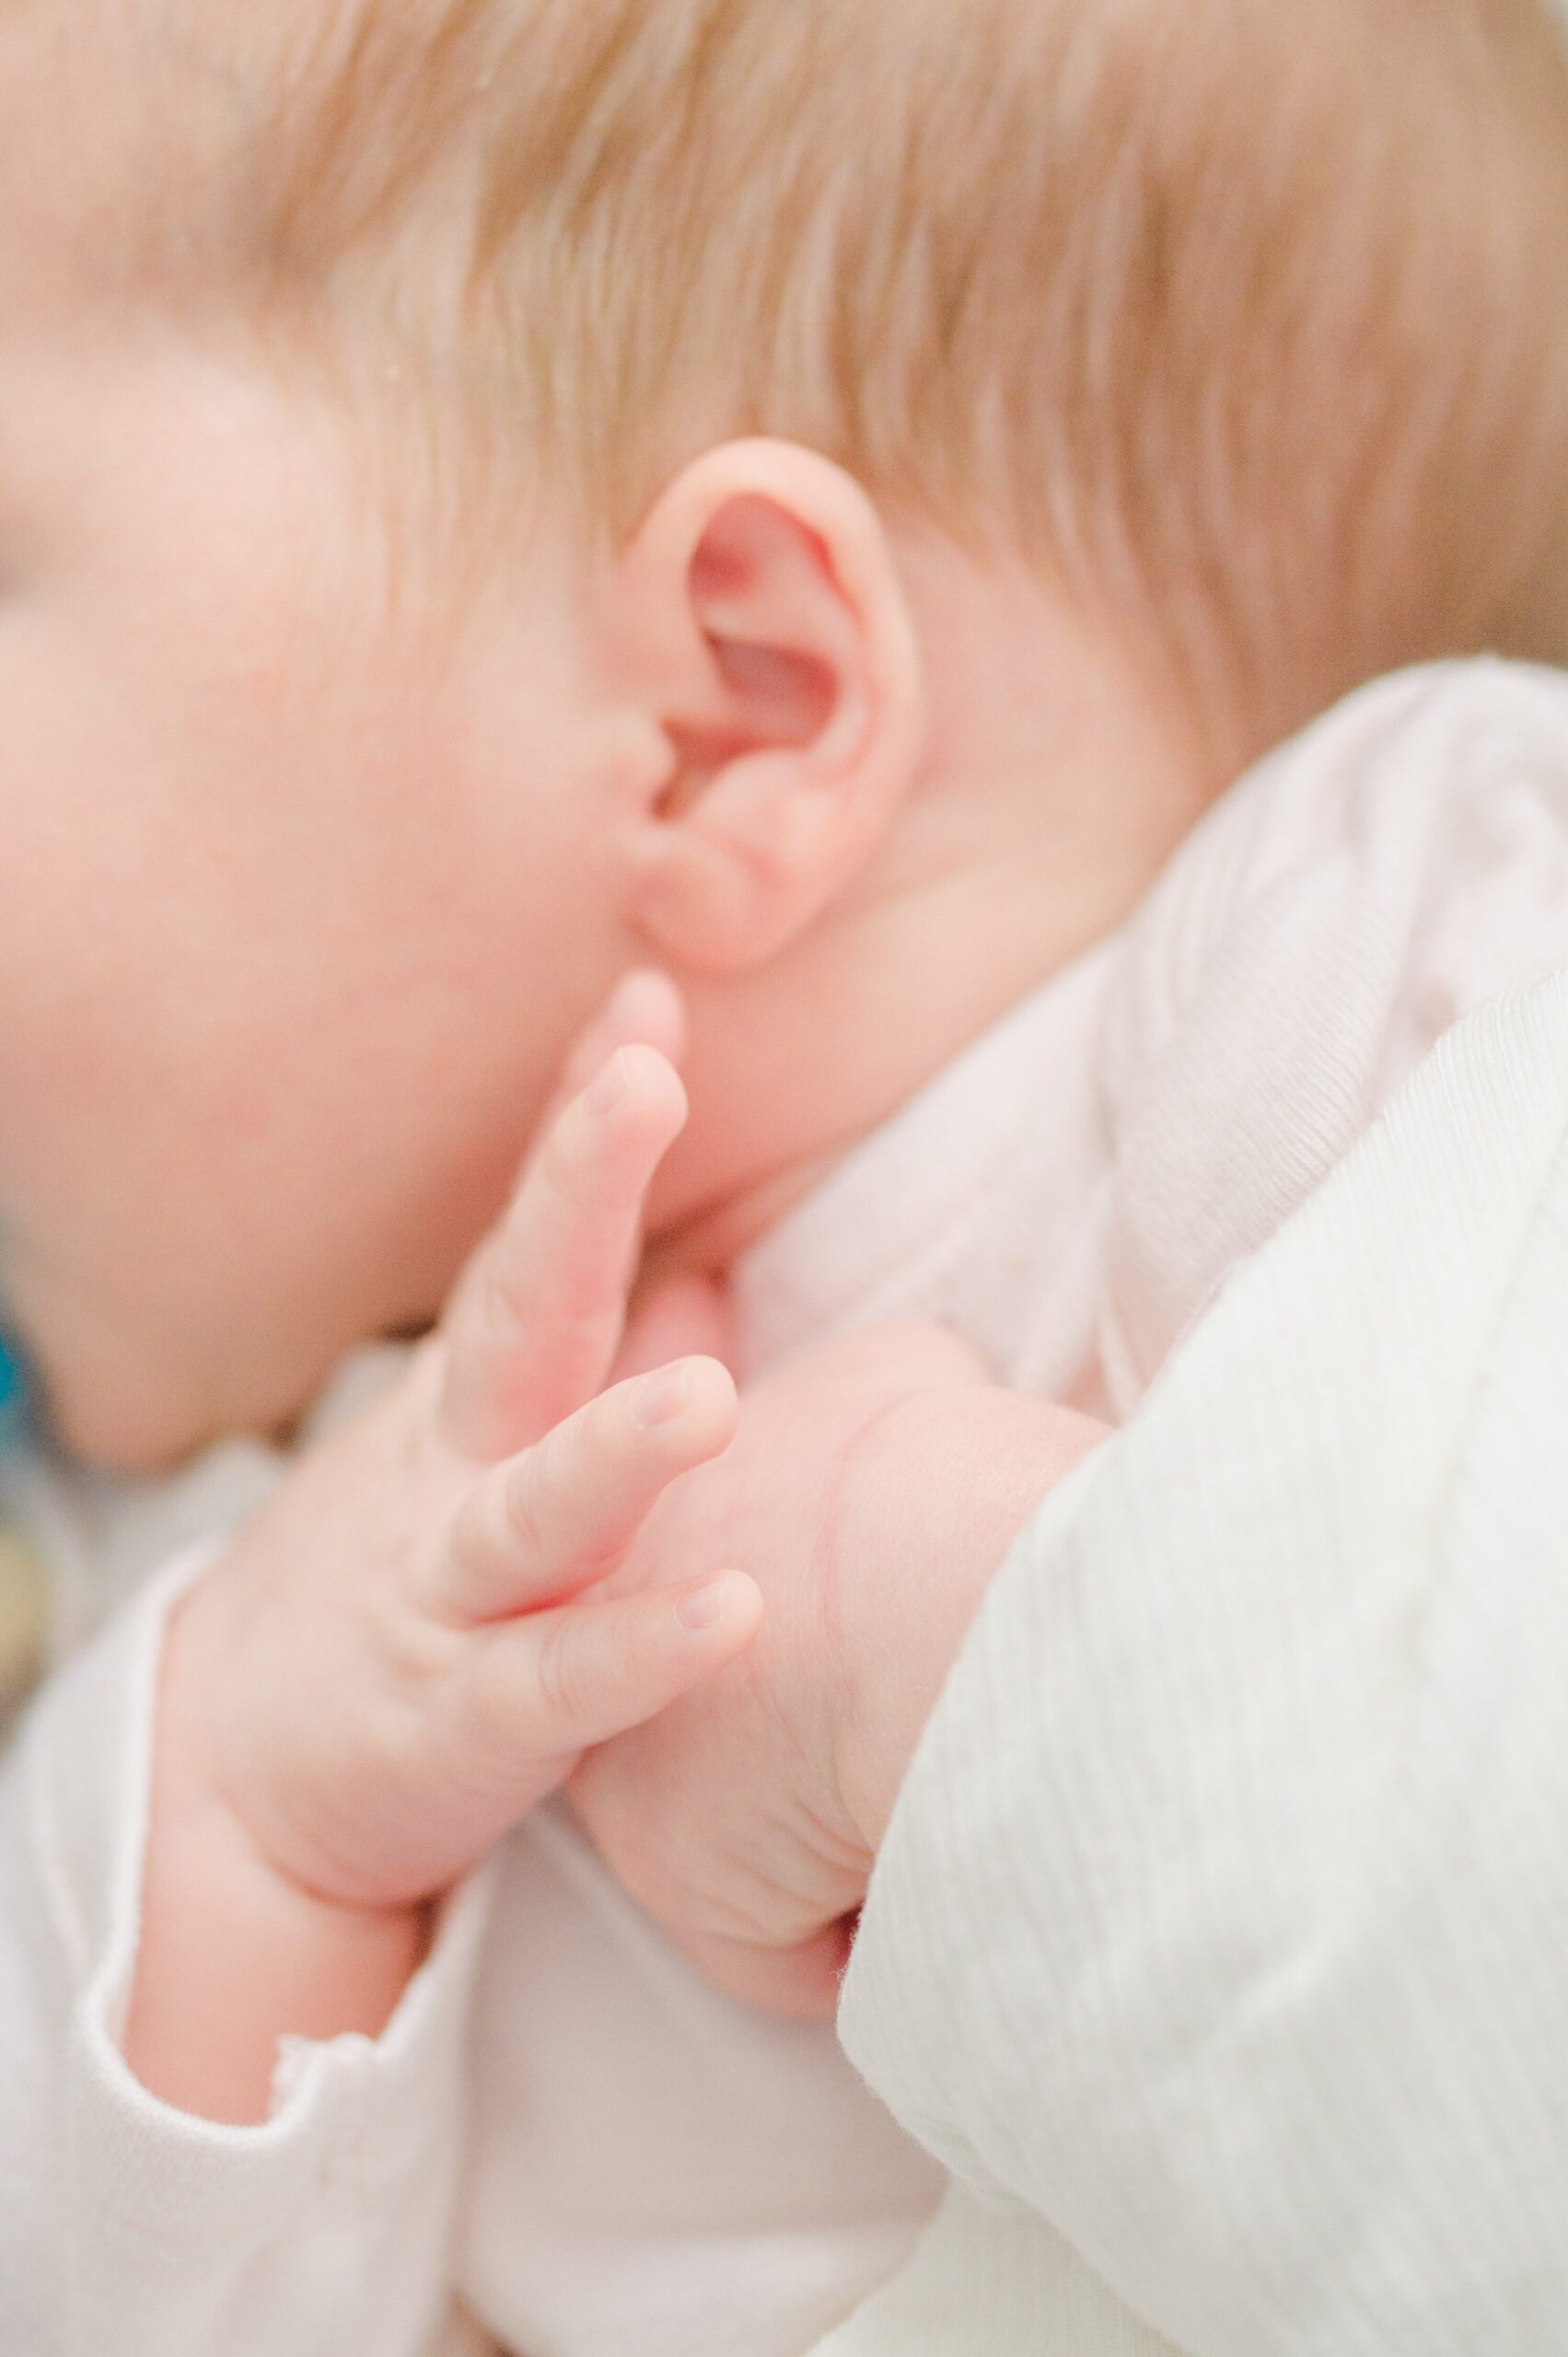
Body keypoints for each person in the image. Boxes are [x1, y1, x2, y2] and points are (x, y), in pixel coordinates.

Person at [4, 0, 1568, 2350]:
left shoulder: (1388, 976)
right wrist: (236, 1854)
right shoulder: (218, 1587)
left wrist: (945, 1631)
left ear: (736, 706)